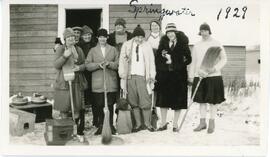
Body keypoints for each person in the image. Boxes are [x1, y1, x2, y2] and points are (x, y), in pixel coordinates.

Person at [189, 23, 227, 134]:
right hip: (200, 75)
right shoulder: (197, 45)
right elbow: (193, 61)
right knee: (201, 101)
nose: (203, 33)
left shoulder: (216, 44)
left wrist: (214, 69)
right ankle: (202, 123)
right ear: (199, 32)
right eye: (201, 31)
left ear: (209, 31)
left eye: (205, 30)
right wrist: (192, 75)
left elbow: (224, 59)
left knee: (213, 101)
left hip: (213, 76)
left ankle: (212, 123)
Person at [119, 25, 156, 132]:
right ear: (134, 36)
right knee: (133, 101)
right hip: (130, 77)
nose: (140, 39)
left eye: (142, 37)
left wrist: (152, 76)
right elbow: (122, 61)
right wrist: (122, 74)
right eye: (138, 37)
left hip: (143, 76)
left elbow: (152, 63)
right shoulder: (126, 45)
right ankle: (138, 124)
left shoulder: (147, 46)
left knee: (145, 101)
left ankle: (147, 123)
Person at [155, 23, 192, 132]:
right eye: (168, 32)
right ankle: (163, 123)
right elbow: (157, 59)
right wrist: (165, 64)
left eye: (172, 32)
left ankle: (175, 124)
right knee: (163, 100)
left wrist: (173, 60)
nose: (170, 34)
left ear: (176, 33)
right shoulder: (162, 44)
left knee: (178, 101)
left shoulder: (183, 44)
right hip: (165, 76)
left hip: (178, 77)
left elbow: (188, 59)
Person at [53, 28, 88, 135]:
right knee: (64, 108)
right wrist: (64, 56)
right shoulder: (60, 49)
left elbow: (85, 64)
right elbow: (56, 65)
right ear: (65, 39)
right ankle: (66, 130)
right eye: (69, 38)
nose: (71, 39)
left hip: (76, 82)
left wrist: (79, 68)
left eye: (73, 37)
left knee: (76, 109)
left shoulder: (79, 50)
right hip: (63, 83)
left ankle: (74, 129)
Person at [85, 28, 119, 135]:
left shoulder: (113, 49)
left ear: (107, 38)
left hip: (110, 82)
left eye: (104, 37)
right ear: (97, 38)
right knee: (99, 105)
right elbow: (87, 65)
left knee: (109, 104)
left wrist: (110, 64)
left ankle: (110, 126)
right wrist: (97, 65)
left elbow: (118, 64)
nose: (102, 39)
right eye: (100, 37)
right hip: (98, 82)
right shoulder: (93, 51)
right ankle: (101, 125)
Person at [79, 25, 98, 127]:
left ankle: (96, 120)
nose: (87, 37)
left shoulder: (95, 45)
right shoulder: (79, 46)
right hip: (83, 75)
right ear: (82, 36)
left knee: (95, 99)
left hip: (94, 75)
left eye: (89, 34)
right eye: (85, 35)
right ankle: (82, 122)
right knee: (82, 99)